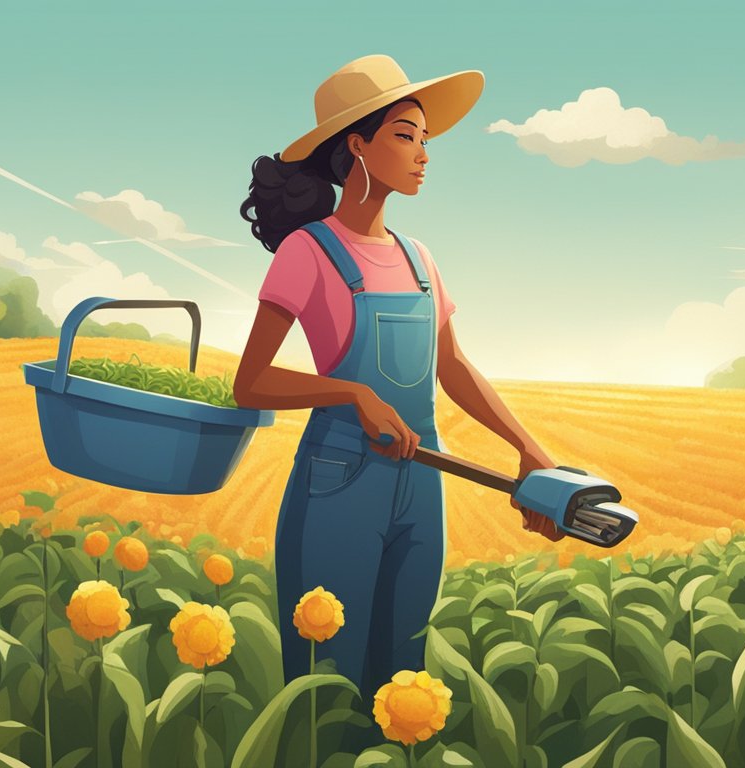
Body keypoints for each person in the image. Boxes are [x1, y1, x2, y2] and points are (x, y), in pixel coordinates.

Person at [233, 54, 566, 704]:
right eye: (405, 135)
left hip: (423, 482)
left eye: (425, 140)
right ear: (356, 146)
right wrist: (352, 392)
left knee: (401, 679)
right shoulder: (309, 251)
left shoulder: (420, 259)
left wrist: (527, 449)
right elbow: (251, 382)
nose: (423, 154)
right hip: (339, 483)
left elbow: (453, 367)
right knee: (324, 687)